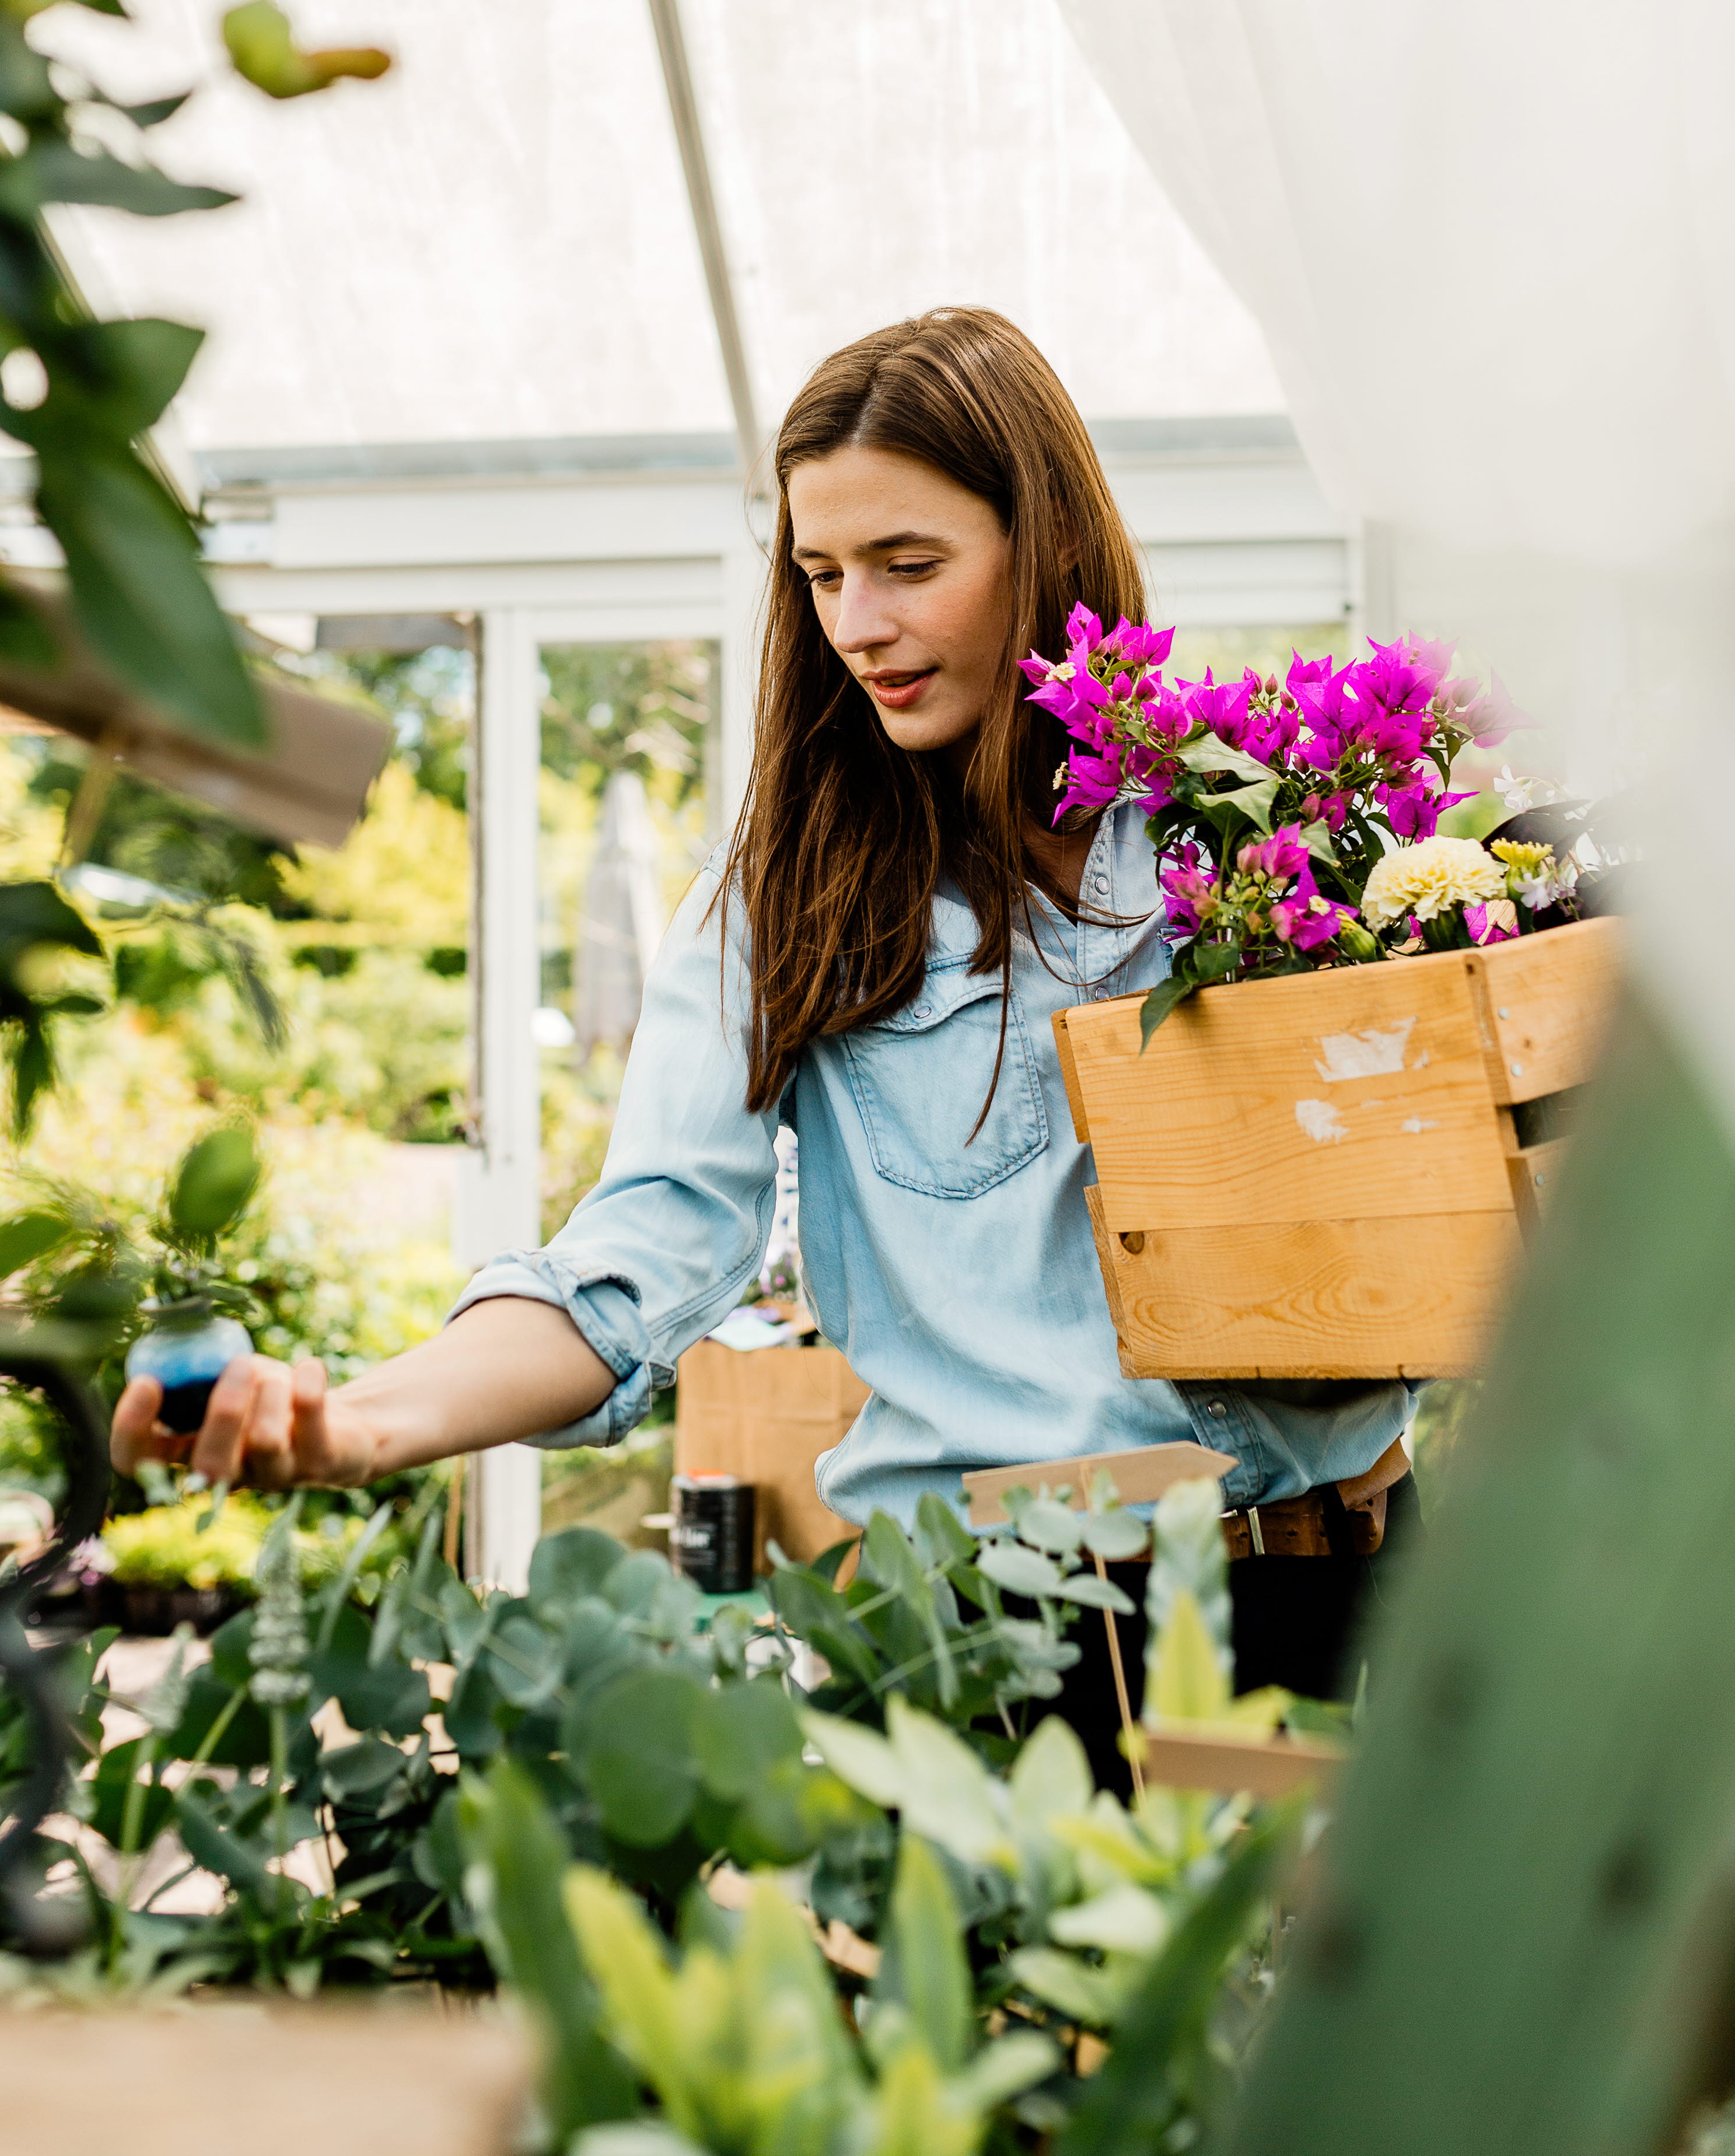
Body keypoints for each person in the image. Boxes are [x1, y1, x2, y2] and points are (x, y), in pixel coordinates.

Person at [111, 307, 1416, 1787]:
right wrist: (349, 1423)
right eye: (820, 574)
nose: (855, 623)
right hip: (1023, 1644)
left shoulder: (1249, 840)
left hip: (1358, 1587)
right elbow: (632, 1265)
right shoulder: (786, 911)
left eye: (908, 566)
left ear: (1044, 546)